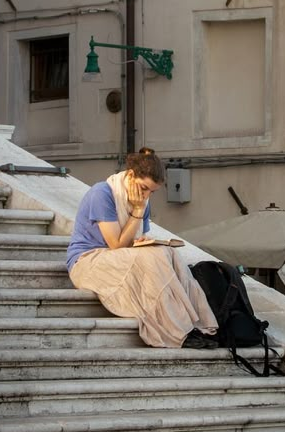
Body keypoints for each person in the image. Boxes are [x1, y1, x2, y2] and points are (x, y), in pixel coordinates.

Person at [66, 147, 218, 349]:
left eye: (152, 192)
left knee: (168, 252)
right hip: (88, 260)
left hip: (120, 258)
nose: (146, 195)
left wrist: (145, 239)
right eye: (144, 188)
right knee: (151, 257)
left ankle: (200, 324)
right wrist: (137, 210)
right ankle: (176, 330)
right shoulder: (102, 193)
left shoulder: (143, 201)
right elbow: (116, 245)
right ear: (130, 175)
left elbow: (135, 240)